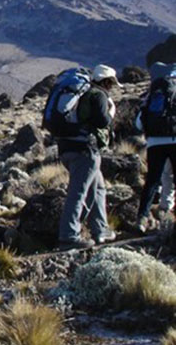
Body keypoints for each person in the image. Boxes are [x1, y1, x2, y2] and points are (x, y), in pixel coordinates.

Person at [57, 64, 120, 249]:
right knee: (79, 192)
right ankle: (68, 235)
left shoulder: (79, 94)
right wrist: (110, 114)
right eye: (111, 84)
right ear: (107, 82)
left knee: (98, 188)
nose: (112, 87)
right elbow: (102, 121)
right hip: (85, 150)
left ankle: (100, 229)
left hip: (67, 147)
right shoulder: (97, 95)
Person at [135, 62, 176, 233]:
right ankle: (168, 218)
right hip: (174, 141)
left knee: (152, 181)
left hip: (153, 144)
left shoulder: (152, 96)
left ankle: (142, 219)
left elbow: (138, 123)